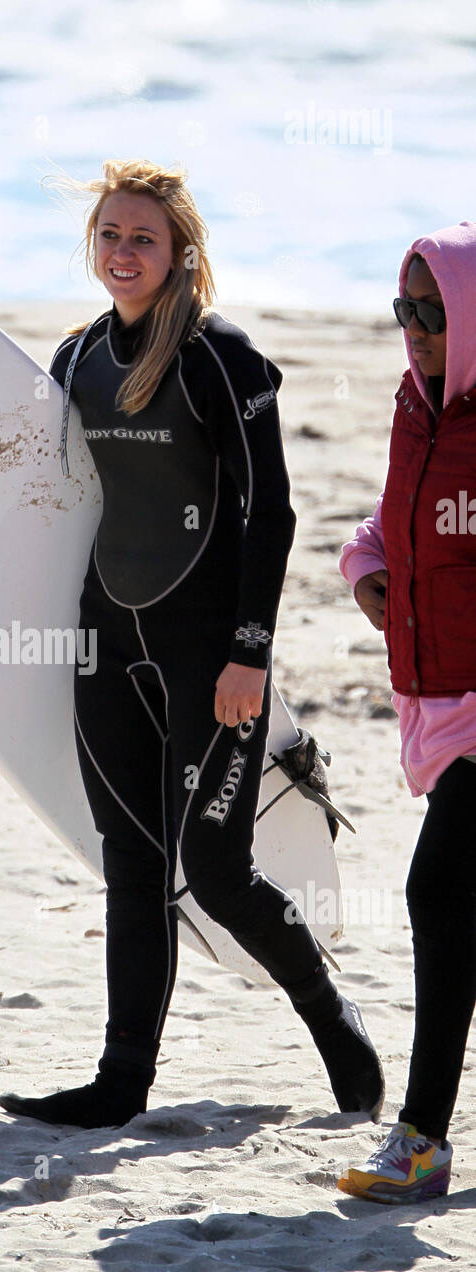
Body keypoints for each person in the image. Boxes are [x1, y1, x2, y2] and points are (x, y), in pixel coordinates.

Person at [0, 158, 384, 1130]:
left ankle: (330, 1017)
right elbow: (42, 517)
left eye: (141, 237)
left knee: (215, 868)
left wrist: (247, 656)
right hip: (107, 638)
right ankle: (119, 1082)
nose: (122, 252)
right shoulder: (74, 361)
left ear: (179, 251)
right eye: (108, 235)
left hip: (205, 651)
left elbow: (268, 514)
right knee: (129, 863)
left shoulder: (220, 360)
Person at [337, 222, 476, 1202]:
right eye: (404, 310)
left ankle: (420, 1139)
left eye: (433, 313)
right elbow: (384, 522)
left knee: (435, 890)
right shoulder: (412, 407)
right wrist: (366, 568)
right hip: (434, 697)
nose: (415, 330)